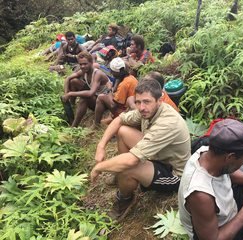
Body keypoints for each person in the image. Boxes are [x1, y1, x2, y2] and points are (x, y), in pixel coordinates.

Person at [90, 79, 191, 220]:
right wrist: (101, 146)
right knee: (123, 131)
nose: (141, 107)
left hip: (173, 174)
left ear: (159, 100)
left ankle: (125, 199)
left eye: (146, 101)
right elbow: (119, 120)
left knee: (127, 167)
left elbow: (131, 160)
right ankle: (123, 177)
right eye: (138, 102)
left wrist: (99, 167)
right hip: (158, 154)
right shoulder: (146, 110)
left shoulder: (168, 122)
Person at [61, 52, 111, 127]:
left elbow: (91, 93)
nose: (83, 66)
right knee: (73, 81)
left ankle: (74, 126)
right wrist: (66, 93)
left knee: (84, 99)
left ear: (91, 63)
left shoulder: (97, 74)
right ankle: (72, 105)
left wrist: (71, 93)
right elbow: (68, 78)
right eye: (80, 64)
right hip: (96, 96)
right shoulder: (84, 71)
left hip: (103, 102)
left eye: (85, 64)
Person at [94, 57, 138, 127]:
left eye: (112, 71)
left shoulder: (123, 84)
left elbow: (114, 105)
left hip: (125, 112)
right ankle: (109, 119)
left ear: (116, 72)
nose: (111, 72)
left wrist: (109, 90)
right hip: (129, 108)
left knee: (101, 97)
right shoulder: (131, 77)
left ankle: (96, 124)